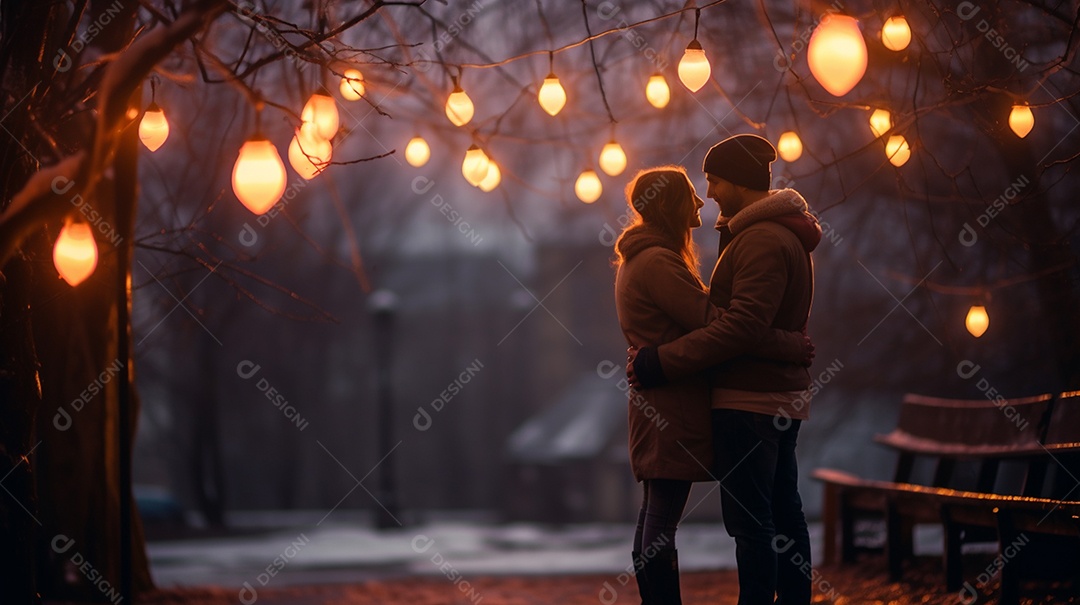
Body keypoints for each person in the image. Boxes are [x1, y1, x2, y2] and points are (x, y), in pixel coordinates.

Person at [629, 135, 821, 605]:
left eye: (715, 180)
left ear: (739, 181)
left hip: (749, 399)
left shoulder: (759, 240)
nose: (709, 192)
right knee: (779, 511)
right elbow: (744, 323)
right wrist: (793, 346)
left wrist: (659, 362)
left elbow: (740, 326)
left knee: (752, 521)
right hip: (769, 395)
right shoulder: (769, 235)